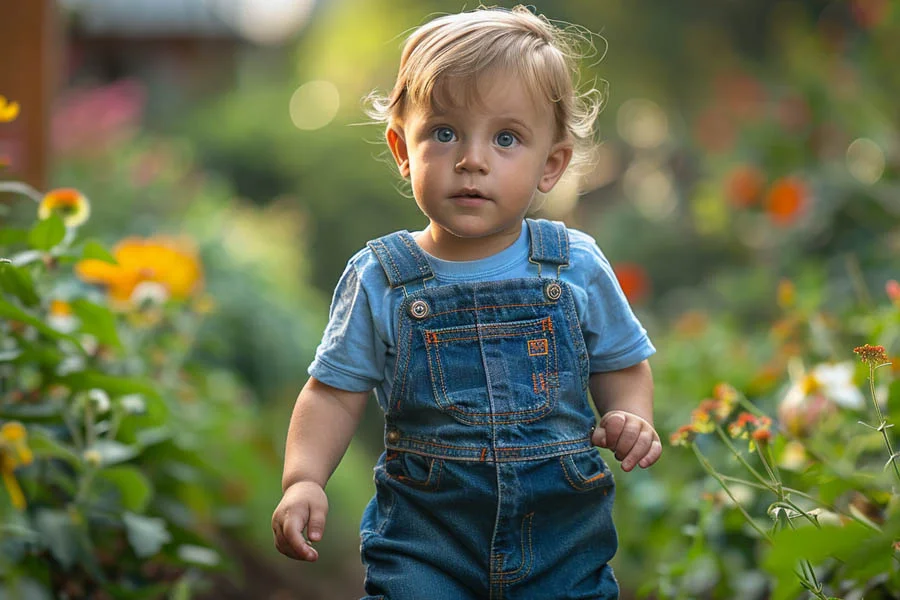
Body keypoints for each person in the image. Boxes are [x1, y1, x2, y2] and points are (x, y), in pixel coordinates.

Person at [272, 5, 661, 598]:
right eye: (444, 132)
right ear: (404, 150)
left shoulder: (575, 263)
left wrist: (630, 415)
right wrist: (304, 480)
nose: (471, 158)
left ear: (550, 165)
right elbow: (332, 392)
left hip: (560, 538)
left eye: (506, 138)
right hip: (426, 540)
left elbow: (621, 363)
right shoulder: (382, 276)